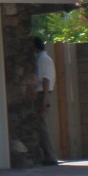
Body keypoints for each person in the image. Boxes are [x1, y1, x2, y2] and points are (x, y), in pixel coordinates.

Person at [34, 36, 58, 165]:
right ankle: (47, 155)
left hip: (42, 94)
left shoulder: (43, 59)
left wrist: (44, 101)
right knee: (41, 126)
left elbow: (46, 79)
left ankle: (50, 156)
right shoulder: (43, 58)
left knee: (42, 127)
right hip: (43, 93)